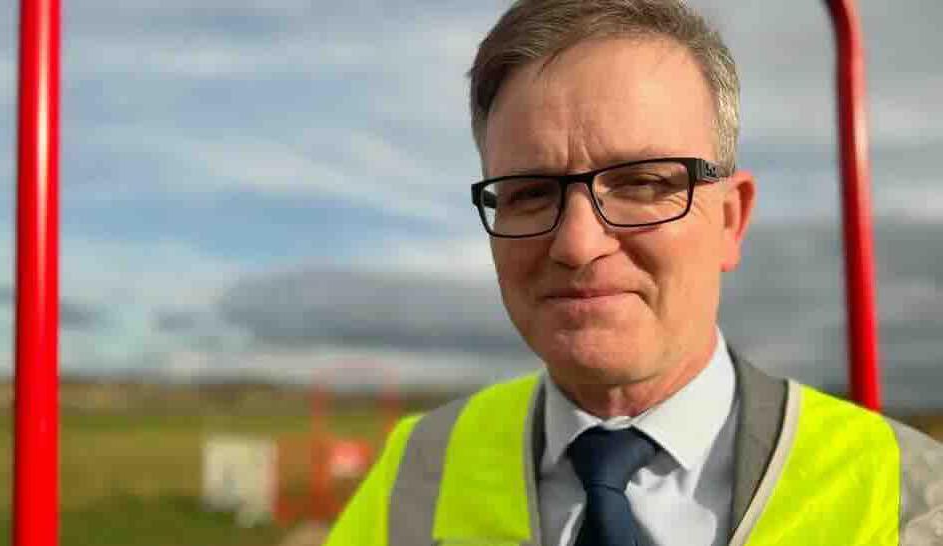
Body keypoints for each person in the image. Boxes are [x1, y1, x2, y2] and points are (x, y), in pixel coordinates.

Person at [325, 1, 943, 544]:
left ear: (731, 218)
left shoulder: (912, 501)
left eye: (642, 184)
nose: (577, 243)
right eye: (531, 192)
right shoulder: (415, 471)